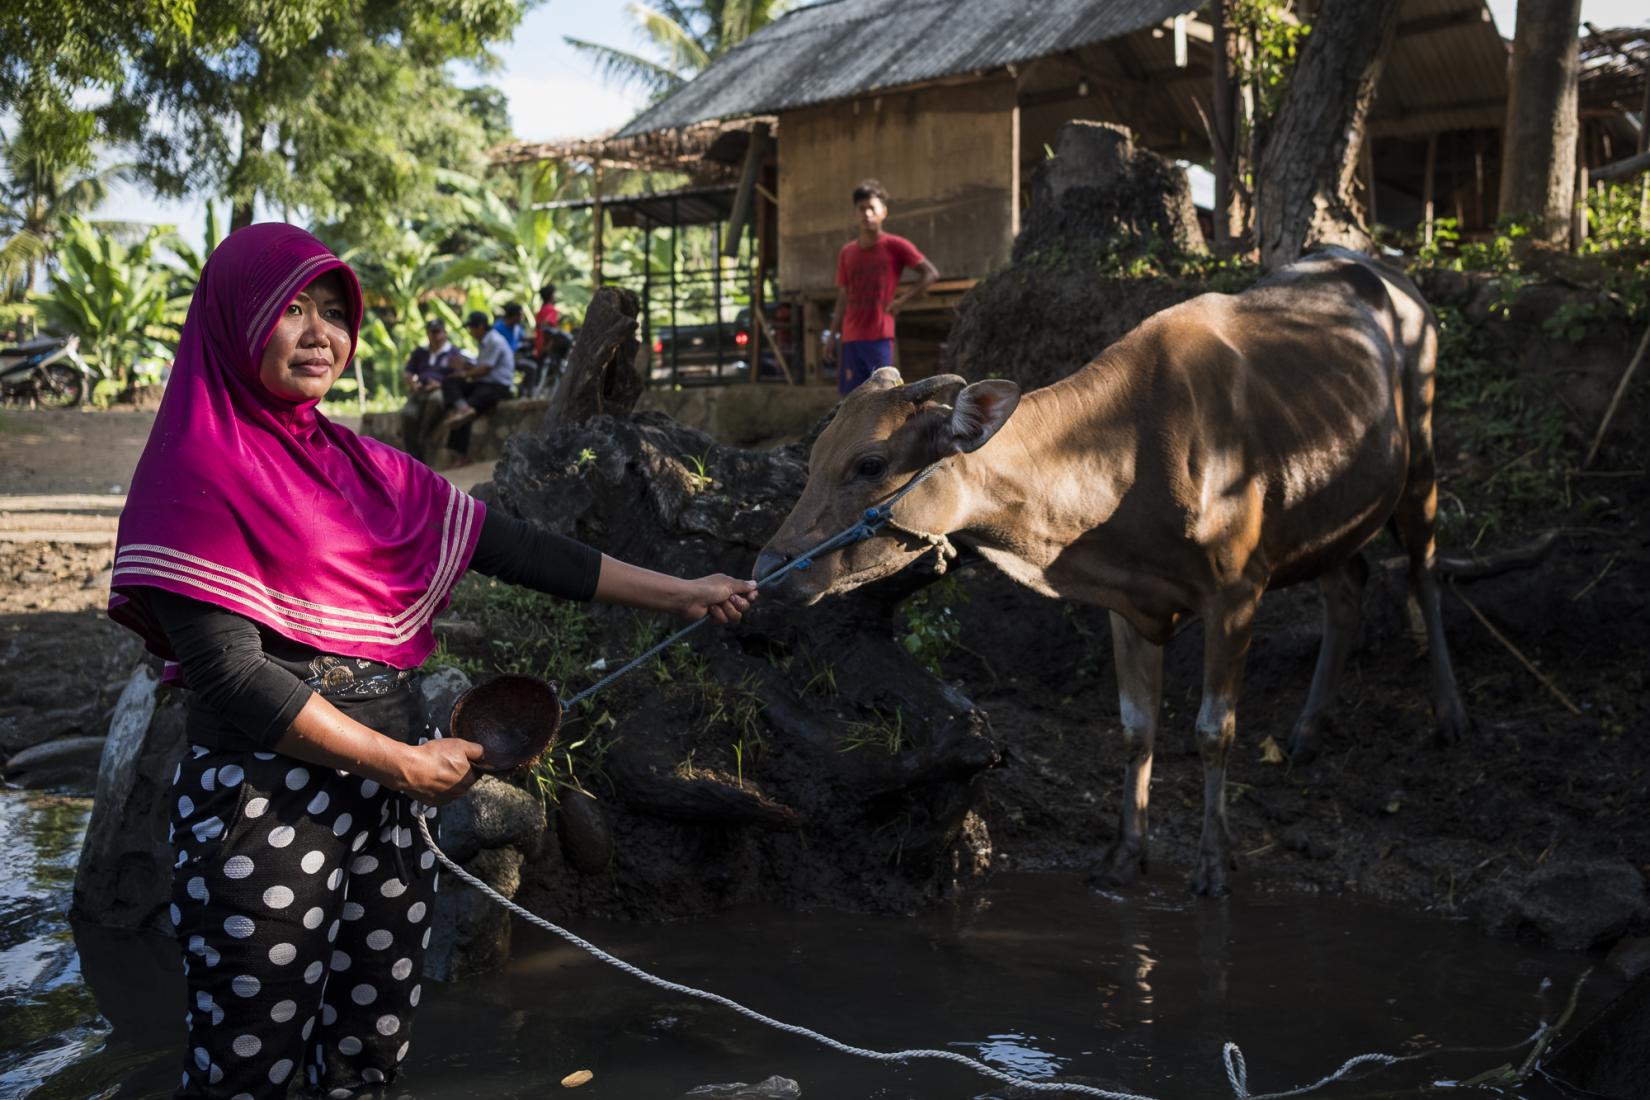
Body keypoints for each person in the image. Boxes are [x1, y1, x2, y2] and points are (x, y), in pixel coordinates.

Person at [106, 223, 756, 1099]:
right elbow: (233, 673)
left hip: (386, 811)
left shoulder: (364, 468)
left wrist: (681, 591)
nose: (319, 334)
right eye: (291, 308)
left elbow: (519, 547)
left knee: (367, 1057)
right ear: (233, 317)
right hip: (262, 813)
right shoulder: (196, 466)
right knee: (247, 1069)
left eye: (334, 313)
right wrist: (403, 763)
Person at [824, 179, 939, 394]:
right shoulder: (847, 252)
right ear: (855, 213)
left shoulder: (895, 246)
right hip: (850, 337)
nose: (867, 214)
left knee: (883, 396)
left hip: (879, 335)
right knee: (849, 399)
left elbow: (930, 274)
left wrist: (900, 301)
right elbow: (843, 295)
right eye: (862, 209)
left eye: (872, 208)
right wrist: (832, 335)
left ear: (883, 212)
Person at [438, 311, 515, 451]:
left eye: (471, 328)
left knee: (469, 405)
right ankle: (463, 408)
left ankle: (465, 409)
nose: (470, 332)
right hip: (483, 384)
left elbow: (485, 369)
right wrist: (464, 366)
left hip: (497, 387)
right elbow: (480, 368)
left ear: (480, 327)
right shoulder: (483, 343)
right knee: (450, 383)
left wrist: (465, 373)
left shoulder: (495, 341)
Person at [397, 318, 461, 462]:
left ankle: (423, 436)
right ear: (427, 334)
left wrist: (440, 384)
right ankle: (413, 457)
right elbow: (408, 373)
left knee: (435, 401)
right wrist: (412, 383)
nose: (435, 336)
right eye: (432, 332)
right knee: (407, 414)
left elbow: (460, 375)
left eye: (438, 332)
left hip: (441, 390)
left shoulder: (454, 352)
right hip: (420, 390)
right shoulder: (420, 352)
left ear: (444, 333)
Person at [532, 285, 560, 359]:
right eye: (555, 294)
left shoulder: (541, 310)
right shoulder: (551, 310)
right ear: (551, 296)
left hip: (538, 347)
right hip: (545, 349)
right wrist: (547, 347)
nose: (556, 296)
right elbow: (547, 329)